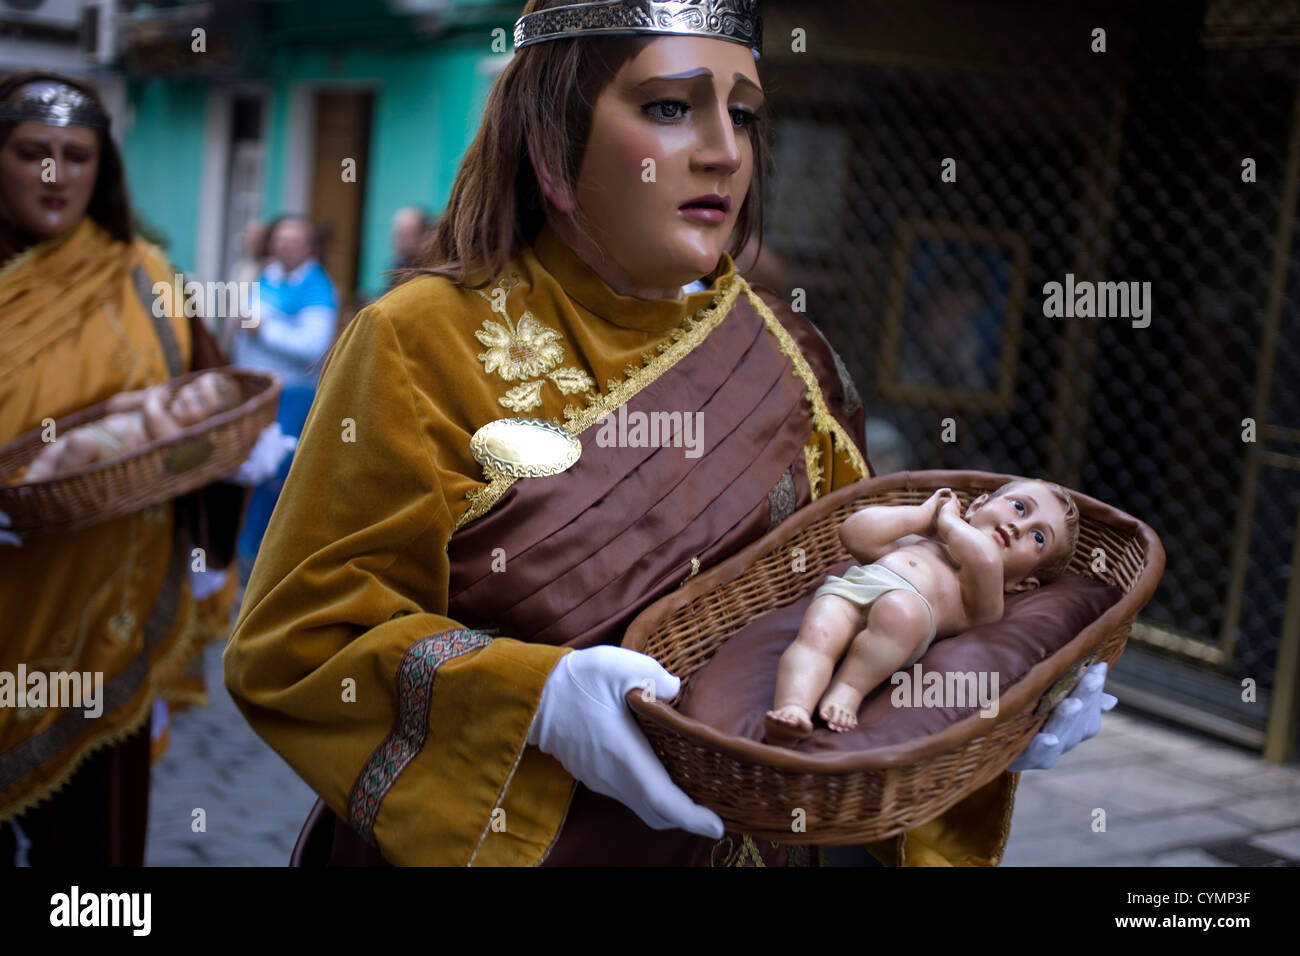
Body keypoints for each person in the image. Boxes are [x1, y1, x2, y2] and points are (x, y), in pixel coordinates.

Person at [224, 0, 1113, 867]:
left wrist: (990, 703)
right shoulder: (420, 340)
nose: (726, 152)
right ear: (551, 141)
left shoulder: (793, 356)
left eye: (745, 116)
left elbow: (864, 603)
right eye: (667, 107)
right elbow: (301, 638)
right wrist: (531, 700)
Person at [0, 71, 285, 864]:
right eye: (31, 153)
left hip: (108, 613)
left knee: (94, 860)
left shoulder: (143, 276)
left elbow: (209, 395)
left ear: (104, 169)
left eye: (76, 155)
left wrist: (235, 462)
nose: (57, 176)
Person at [766, 479, 1078, 743]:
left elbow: (984, 559)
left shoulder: (983, 596)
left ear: (1022, 585)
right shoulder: (920, 540)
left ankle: (849, 688)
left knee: (899, 612)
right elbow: (855, 532)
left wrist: (949, 522)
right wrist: (922, 514)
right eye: (1019, 507)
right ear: (977, 505)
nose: (1018, 525)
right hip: (854, 591)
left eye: (1038, 538)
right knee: (816, 636)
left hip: (905, 620)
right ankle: (793, 707)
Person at [230, 214, 336, 579]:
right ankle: (243, 556)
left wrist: (263, 329)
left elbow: (313, 347)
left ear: (309, 246)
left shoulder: (318, 288)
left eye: (293, 241)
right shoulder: (267, 276)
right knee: (248, 469)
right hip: (256, 395)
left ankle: (261, 562)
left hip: (292, 397)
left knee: (274, 475)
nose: (284, 246)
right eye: (280, 239)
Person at [16, 372, 244, 482]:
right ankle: (25, 493)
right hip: (94, 433)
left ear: (208, 421)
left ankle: (57, 488)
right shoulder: (157, 401)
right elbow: (112, 406)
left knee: (78, 442)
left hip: (107, 453)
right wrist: (141, 397)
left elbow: (155, 421)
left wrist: (151, 401)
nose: (190, 397)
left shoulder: (178, 433)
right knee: (50, 451)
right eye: (194, 389)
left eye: (202, 401)